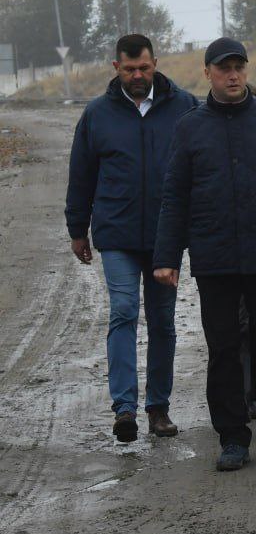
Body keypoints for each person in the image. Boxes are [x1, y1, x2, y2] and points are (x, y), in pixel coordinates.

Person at [153, 37, 256, 472]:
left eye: (238, 68)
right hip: (215, 254)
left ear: (247, 72)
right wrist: (166, 256)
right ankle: (232, 436)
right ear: (207, 73)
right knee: (223, 348)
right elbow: (175, 195)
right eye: (223, 68)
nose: (231, 75)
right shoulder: (190, 127)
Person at [65, 34, 198, 443]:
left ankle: (158, 408)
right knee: (123, 311)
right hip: (117, 234)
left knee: (162, 322)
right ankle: (124, 408)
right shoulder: (97, 114)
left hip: (166, 236)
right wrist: (77, 228)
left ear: (155, 63)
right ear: (116, 67)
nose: (137, 76)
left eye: (144, 68)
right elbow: (81, 174)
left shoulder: (186, 108)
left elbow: (203, 166)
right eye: (129, 69)